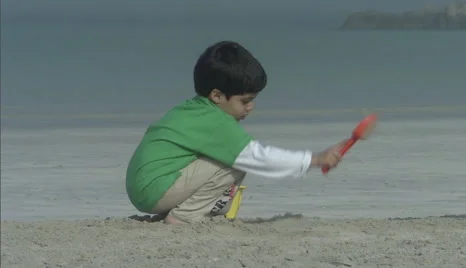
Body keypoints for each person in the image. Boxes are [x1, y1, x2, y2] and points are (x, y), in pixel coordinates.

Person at [125, 40, 345, 224]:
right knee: (237, 161)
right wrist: (314, 159)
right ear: (217, 96)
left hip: (144, 188)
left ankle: (182, 212)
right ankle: (183, 217)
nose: (250, 108)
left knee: (229, 161)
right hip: (154, 190)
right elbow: (259, 158)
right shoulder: (213, 122)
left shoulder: (192, 110)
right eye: (245, 101)